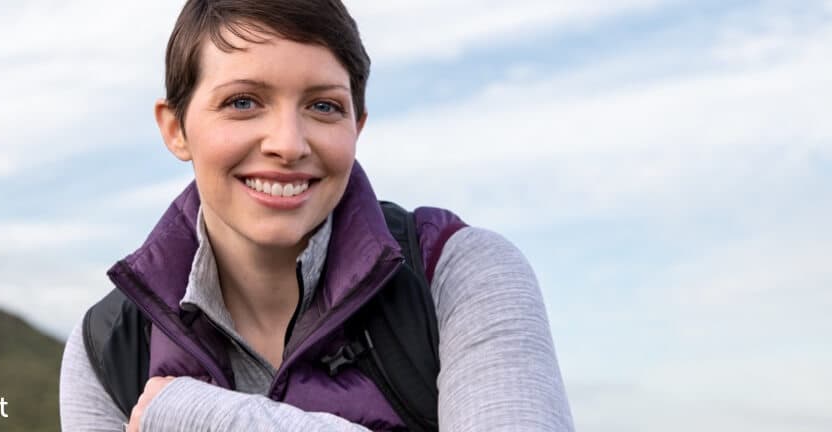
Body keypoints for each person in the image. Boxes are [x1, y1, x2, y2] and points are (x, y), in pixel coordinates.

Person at [59, 0, 574, 430]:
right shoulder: (109, 348)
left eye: (324, 106)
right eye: (243, 102)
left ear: (358, 125)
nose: (287, 143)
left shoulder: (462, 272)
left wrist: (201, 415)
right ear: (175, 129)